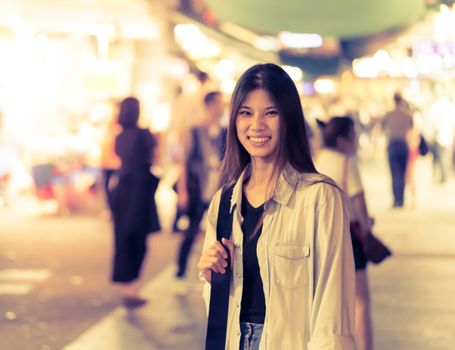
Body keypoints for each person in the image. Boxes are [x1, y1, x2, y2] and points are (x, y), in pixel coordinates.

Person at [198, 64, 355, 349]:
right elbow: (219, 308)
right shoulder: (224, 201)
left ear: (289, 120)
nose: (256, 125)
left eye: (270, 113)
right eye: (246, 113)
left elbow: (334, 306)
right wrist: (212, 277)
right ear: (234, 120)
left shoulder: (320, 198)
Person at [315, 116, 374, 350]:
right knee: (361, 300)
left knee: (329, 298)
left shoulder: (317, 160)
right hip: (348, 237)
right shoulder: (346, 163)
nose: (355, 140)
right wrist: (367, 227)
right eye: (353, 135)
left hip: (321, 235)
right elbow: (360, 206)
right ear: (342, 140)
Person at [173, 91, 226, 294]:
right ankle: (179, 274)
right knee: (190, 233)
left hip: (218, 190)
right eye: (219, 104)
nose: (221, 108)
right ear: (209, 105)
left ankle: (217, 276)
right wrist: (183, 191)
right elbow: (184, 163)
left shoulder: (224, 131)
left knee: (220, 235)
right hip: (198, 189)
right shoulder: (194, 130)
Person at [110, 97, 160, 308]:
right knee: (139, 242)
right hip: (140, 191)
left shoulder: (119, 136)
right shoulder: (144, 135)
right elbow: (155, 158)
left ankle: (127, 288)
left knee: (122, 240)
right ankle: (132, 290)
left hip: (121, 190)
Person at [381, 92, 413, 207]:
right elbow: (411, 128)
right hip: (403, 145)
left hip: (393, 144)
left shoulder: (388, 114)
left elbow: (382, 127)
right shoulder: (407, 115)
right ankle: (401, 199)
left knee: (394, 173)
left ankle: (396, 200)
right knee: (403, 173)